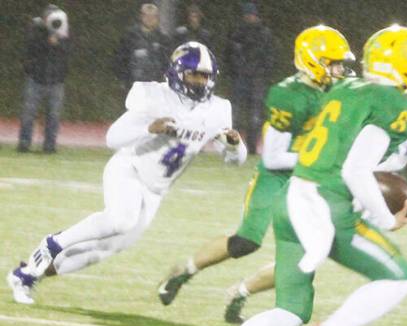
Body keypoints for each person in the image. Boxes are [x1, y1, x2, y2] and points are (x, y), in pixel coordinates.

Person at [186, 25, 407, 326]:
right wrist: (386, 219)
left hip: (293, 196)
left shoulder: (345, 88)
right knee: (397, 278)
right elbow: (355, 170)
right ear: (403, 65)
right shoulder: (394, 105)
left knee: (290, 310)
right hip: (326, 206)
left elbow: (347, 150)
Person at [6, 42, 247, 305]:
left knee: (105, 249)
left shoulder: (218, 109)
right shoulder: (154, 96)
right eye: (195, 74)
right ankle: (53, 243)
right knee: (120, 220)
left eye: (206, 76)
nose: (201, 82)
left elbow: (235, 161)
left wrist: (235, 147)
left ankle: (27, 275)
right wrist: (149, 129)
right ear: (177, 73)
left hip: (156, 190)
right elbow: (113, 138)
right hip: (129, 169)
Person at [157, 25, 356, 325]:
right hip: (277, 177)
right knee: (246, 242)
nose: (340, 70)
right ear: (314, 60)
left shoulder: (335, 92)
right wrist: (322, 158)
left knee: (304, 257)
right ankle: (184, 270)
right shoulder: (290, 95)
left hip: (309, 182)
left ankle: (240, 292)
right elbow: (274, 156)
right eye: (334, 62)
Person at [18, 4, 70, 154]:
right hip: (36, 78)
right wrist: (47, 40)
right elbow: (31, 48)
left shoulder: (63, 30)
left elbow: (67, 52)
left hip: (56, 80)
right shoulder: (36, 29)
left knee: (54, 115)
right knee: (29, 113)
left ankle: (49, 145)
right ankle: (24, 143)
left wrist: (59, 39)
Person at [226, 2, 275, 150]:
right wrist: (235, 71)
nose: (249, 17)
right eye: (247, 15)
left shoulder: (264, 33)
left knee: (255, 115)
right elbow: (229, 55)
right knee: (236, 115)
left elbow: (269, 57)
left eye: (251, 15)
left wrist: (263, 73)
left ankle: (252, 147)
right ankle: (232, 145)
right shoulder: (236, 33)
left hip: (256, 79)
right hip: (241, 77)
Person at [114, 3, 172, 90]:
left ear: (157, 18)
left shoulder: (163, 39)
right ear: (141, 16)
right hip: (134, 85)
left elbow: (168, 62)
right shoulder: (130, 36)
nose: (150, 19)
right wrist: (123, 79)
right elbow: (121, 59)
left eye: (153, 16)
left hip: (157, 86)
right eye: (147, 15)